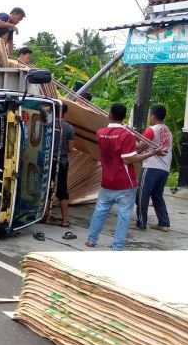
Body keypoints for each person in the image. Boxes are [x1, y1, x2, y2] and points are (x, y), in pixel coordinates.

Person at [86, 103, 167, 250]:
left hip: (107, 181)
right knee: (124, 216)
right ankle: (117, 246)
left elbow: (123, 144)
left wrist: (128, 134)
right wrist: (152, 153)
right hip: (125, 182)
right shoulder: (126, 135)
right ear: (124, 117)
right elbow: (128, 158)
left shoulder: (100, 133)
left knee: (100, 211)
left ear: (109, 115)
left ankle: (91, 240)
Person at [135, 104, 173, 232]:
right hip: (164, 169)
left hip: (151, 167)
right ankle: (164, 223)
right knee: (157, 196)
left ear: (153, 116)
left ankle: (141, 222)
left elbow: (140, 147)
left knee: (141, 195)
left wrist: (129, 137)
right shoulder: (168, 131)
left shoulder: (151, 130)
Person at [55, 103, 75, 227]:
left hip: (47, 161)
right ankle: (64, 220)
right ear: (65, 113)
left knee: (47, 190)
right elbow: (70, 148)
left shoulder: (48, 124)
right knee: (62, 191)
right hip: (61, 162)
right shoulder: (69, 128)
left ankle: (44, 216)